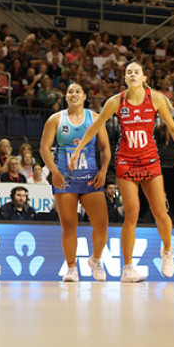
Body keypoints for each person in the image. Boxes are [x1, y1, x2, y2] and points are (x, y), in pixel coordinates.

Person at [72, 61, 174, 283]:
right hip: (126, 162)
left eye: (136, 71)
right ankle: (127, 267)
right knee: (132, 214)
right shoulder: (115, 101)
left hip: (150, 160)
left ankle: (167, 250)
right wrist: (78, 149)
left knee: (160, 212)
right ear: (125, 78)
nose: (132, 74)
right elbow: (96, 126)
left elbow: (173, 128)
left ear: (144, 77)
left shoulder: (155, 99)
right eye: (129, 72)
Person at [40, 82, 111, 283]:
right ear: (65, 96)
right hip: (65, 179)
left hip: (90, 177)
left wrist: (104, 171)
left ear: (85, 96)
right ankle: (71, 268)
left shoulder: (95, 118)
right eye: (70, 91)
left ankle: (96, 260)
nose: (73, 94)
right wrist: (54, 172)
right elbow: (44, 149)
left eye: (78, 91)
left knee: (102, 224)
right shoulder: (55, 119)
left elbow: (105, 149)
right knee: (69, 226)